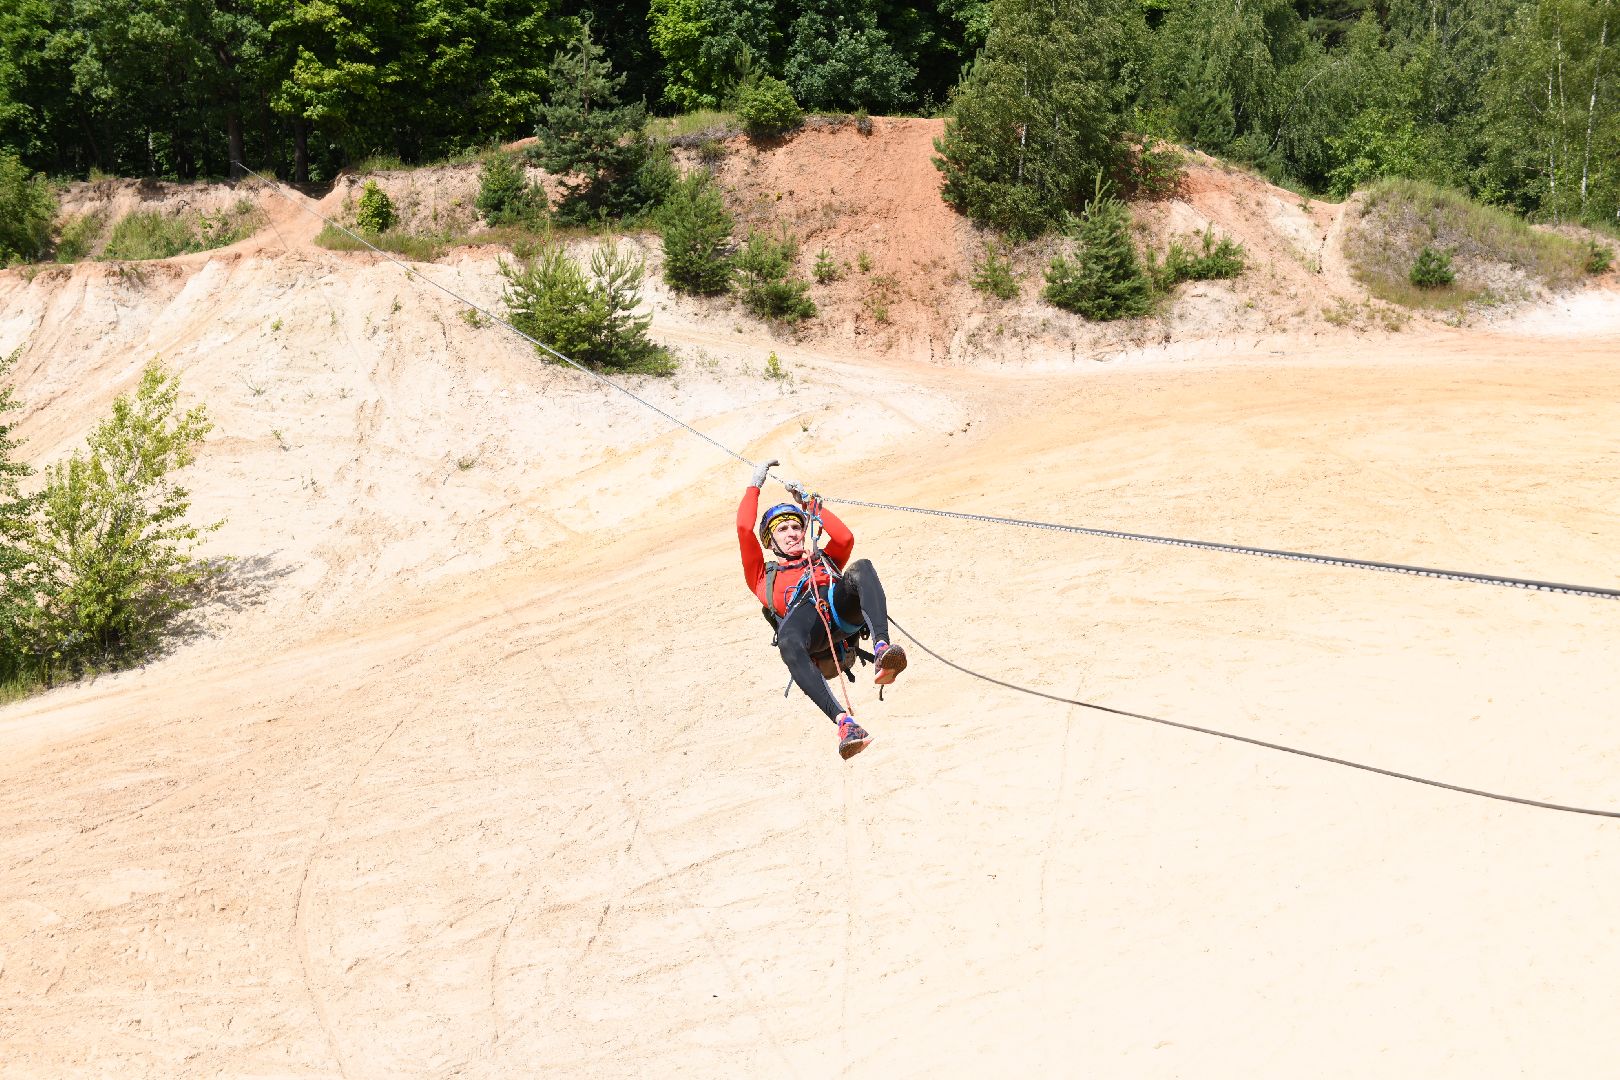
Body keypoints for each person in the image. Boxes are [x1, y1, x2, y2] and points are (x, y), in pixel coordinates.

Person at [737, 459, 906, 759]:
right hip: (809, 630)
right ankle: (845, 724)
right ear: (770, 540)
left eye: (796, 527)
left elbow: (844, 537)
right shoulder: (763, 577)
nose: (792, 533)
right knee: (788, 640)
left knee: (862, 568)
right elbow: (742, 527)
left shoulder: (824, 560)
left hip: (841, 615)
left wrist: (808, 505)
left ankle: (883, 649)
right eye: (783, 530)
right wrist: (754, 486)